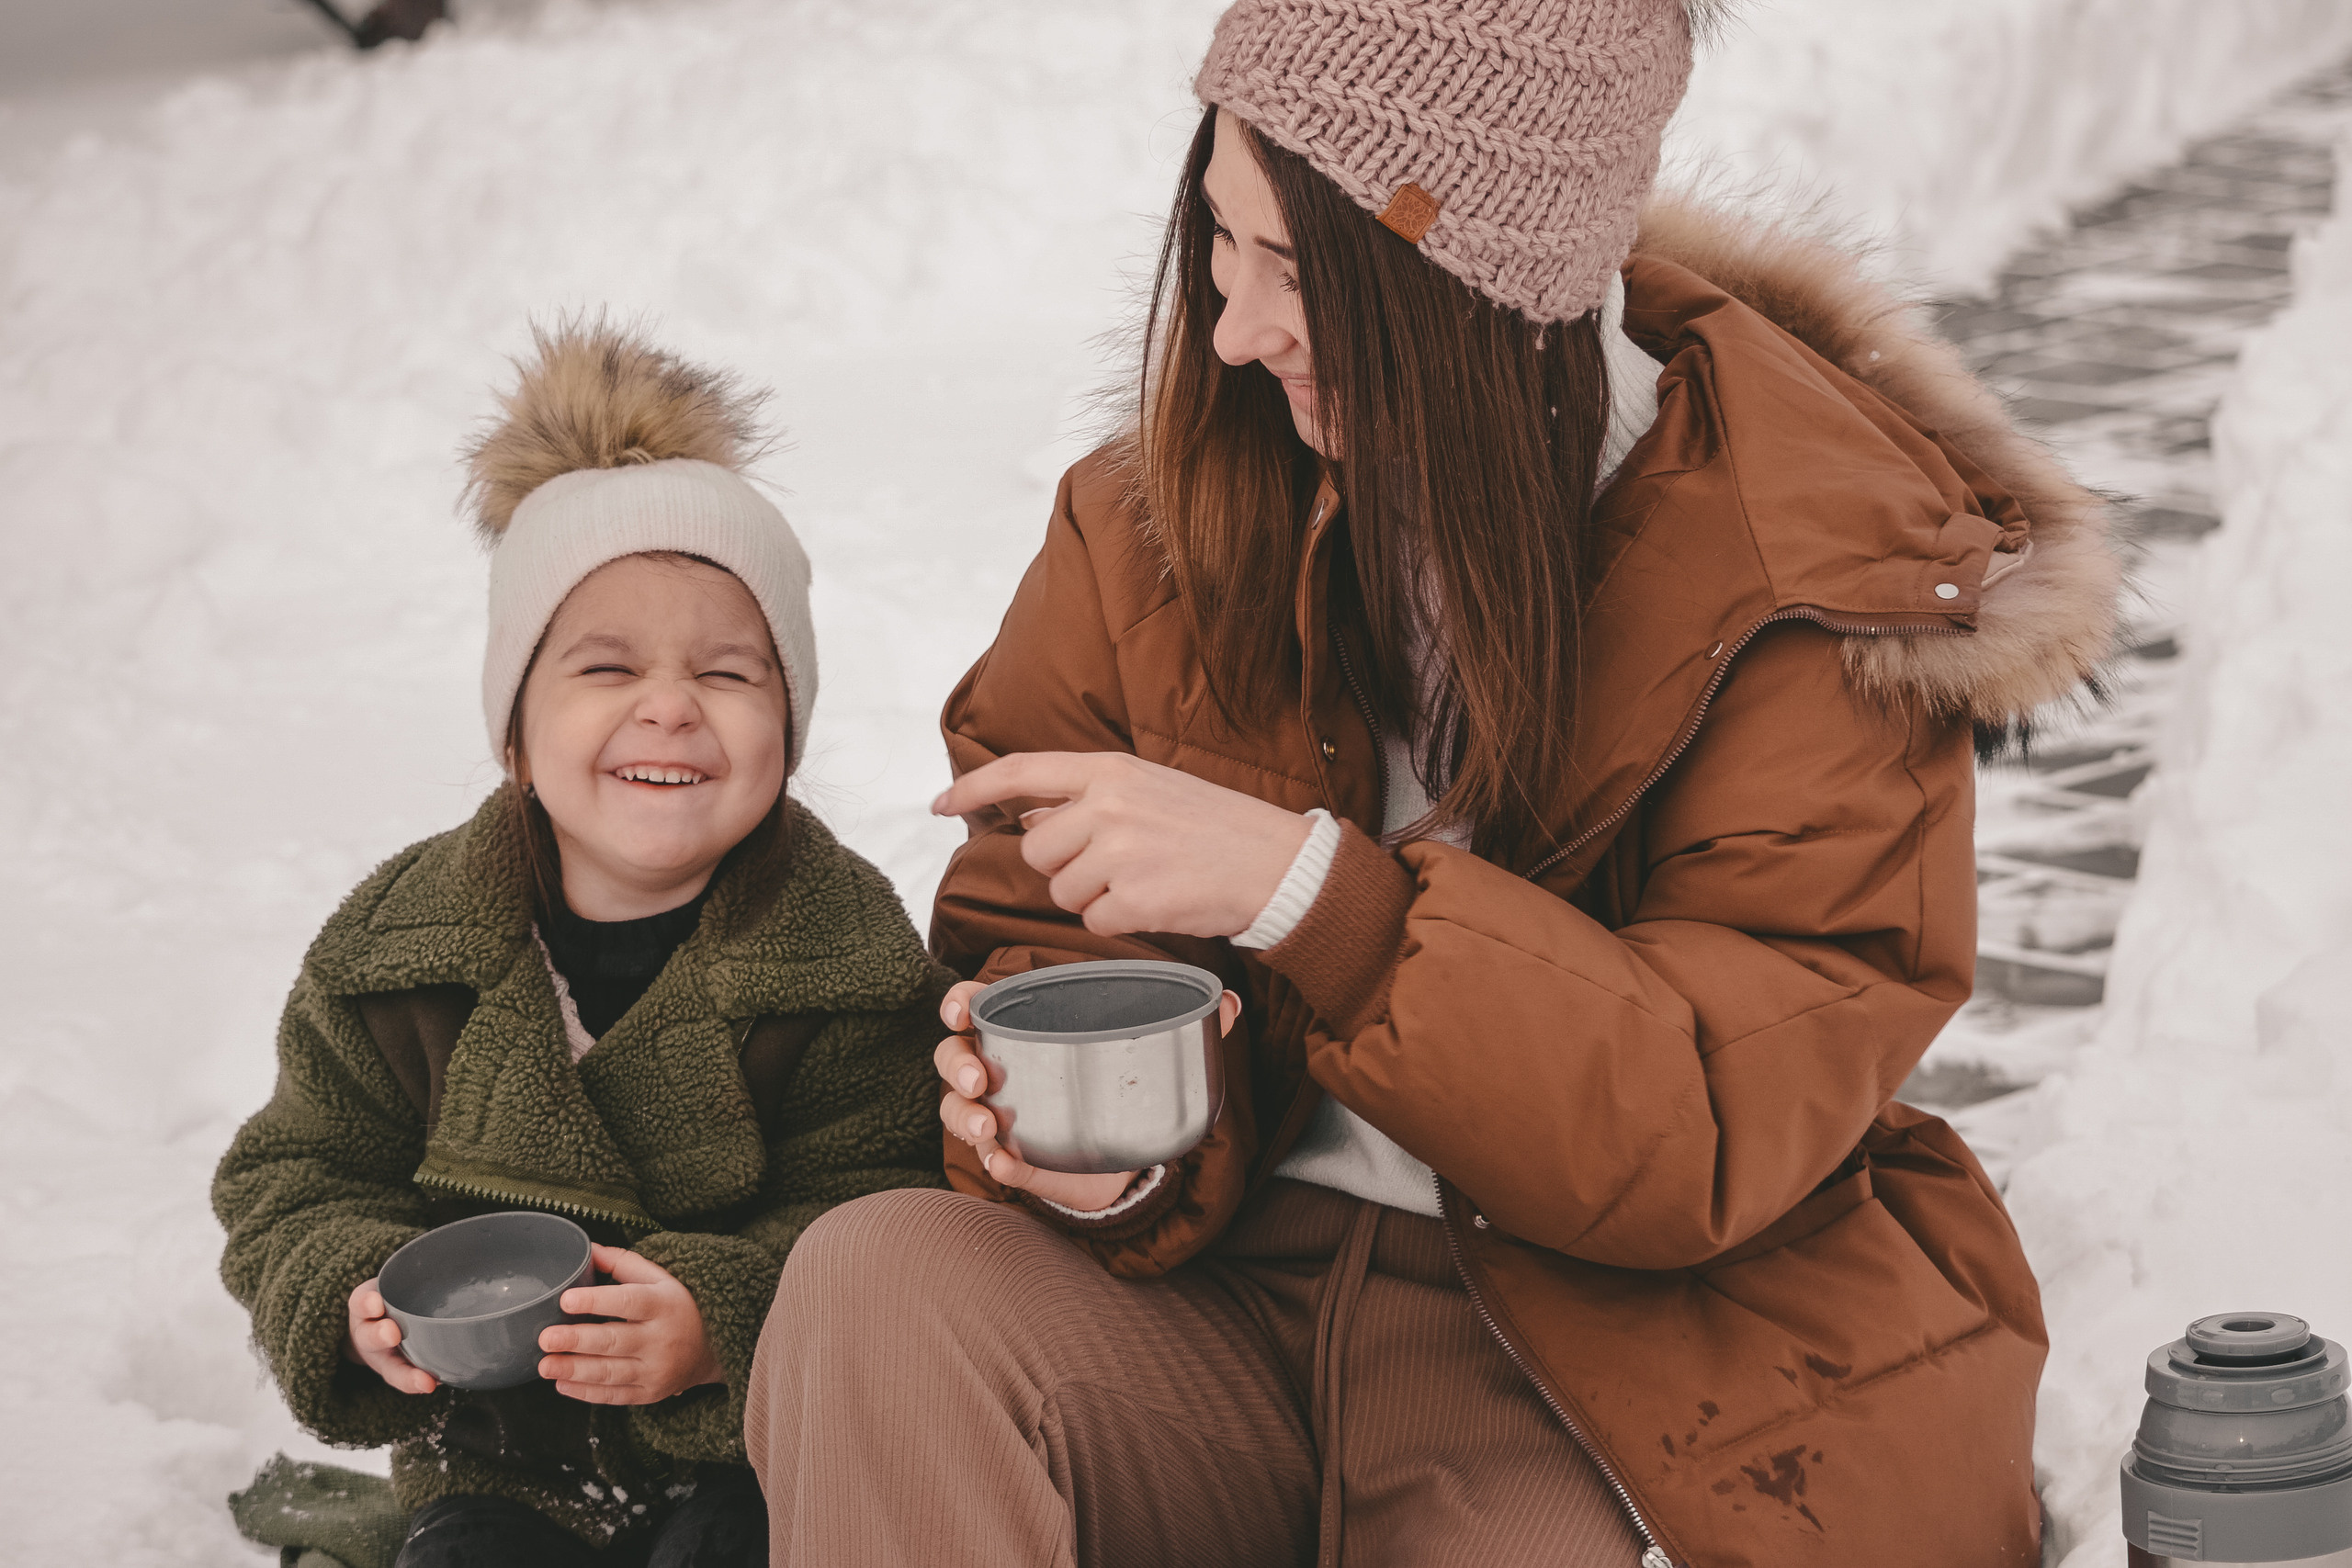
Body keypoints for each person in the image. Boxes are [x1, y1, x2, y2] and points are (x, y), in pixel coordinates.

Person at [746, 1, 2120, 1563]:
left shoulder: (1811, 590)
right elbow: (1030, 921)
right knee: (876, 1289)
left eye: (1297, 270)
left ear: (1478, 291)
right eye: (1219, 239)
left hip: (1579, 1350)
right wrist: (1089, 1153)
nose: (1230, 331)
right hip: (1215, 1302)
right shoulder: (1153, 524)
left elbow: (1700, 1123)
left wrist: (1319, 901)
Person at [212, 321, 948, 1567]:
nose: (669, 705)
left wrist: (726, 1321)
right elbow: (295, 1178)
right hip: (499, 1461)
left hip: (762, 1448)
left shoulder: (840, 955)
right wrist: (355, 1306)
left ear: (788, 730)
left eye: (728, 673)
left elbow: (883, 1205)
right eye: (605, 667)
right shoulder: (403, 956)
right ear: (515, 730)